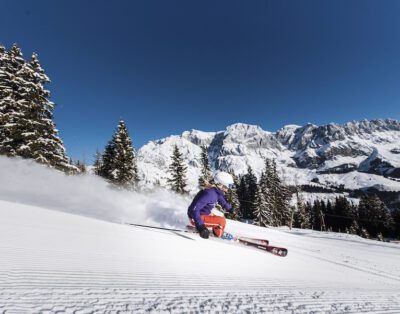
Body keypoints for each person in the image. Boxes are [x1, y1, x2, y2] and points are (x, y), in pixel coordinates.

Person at [187, 171, 234, 239]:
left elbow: (221, 199)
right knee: (221, 221)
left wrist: (228, 208)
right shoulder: (210, 194)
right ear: (221, 184)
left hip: (201, 214)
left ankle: (217, 230)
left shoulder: (215, 191)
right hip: (195, 218)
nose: (229, 188)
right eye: (228, 186)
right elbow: (194, 209)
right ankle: (218, 234)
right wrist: (201, 227)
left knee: (217, 216)